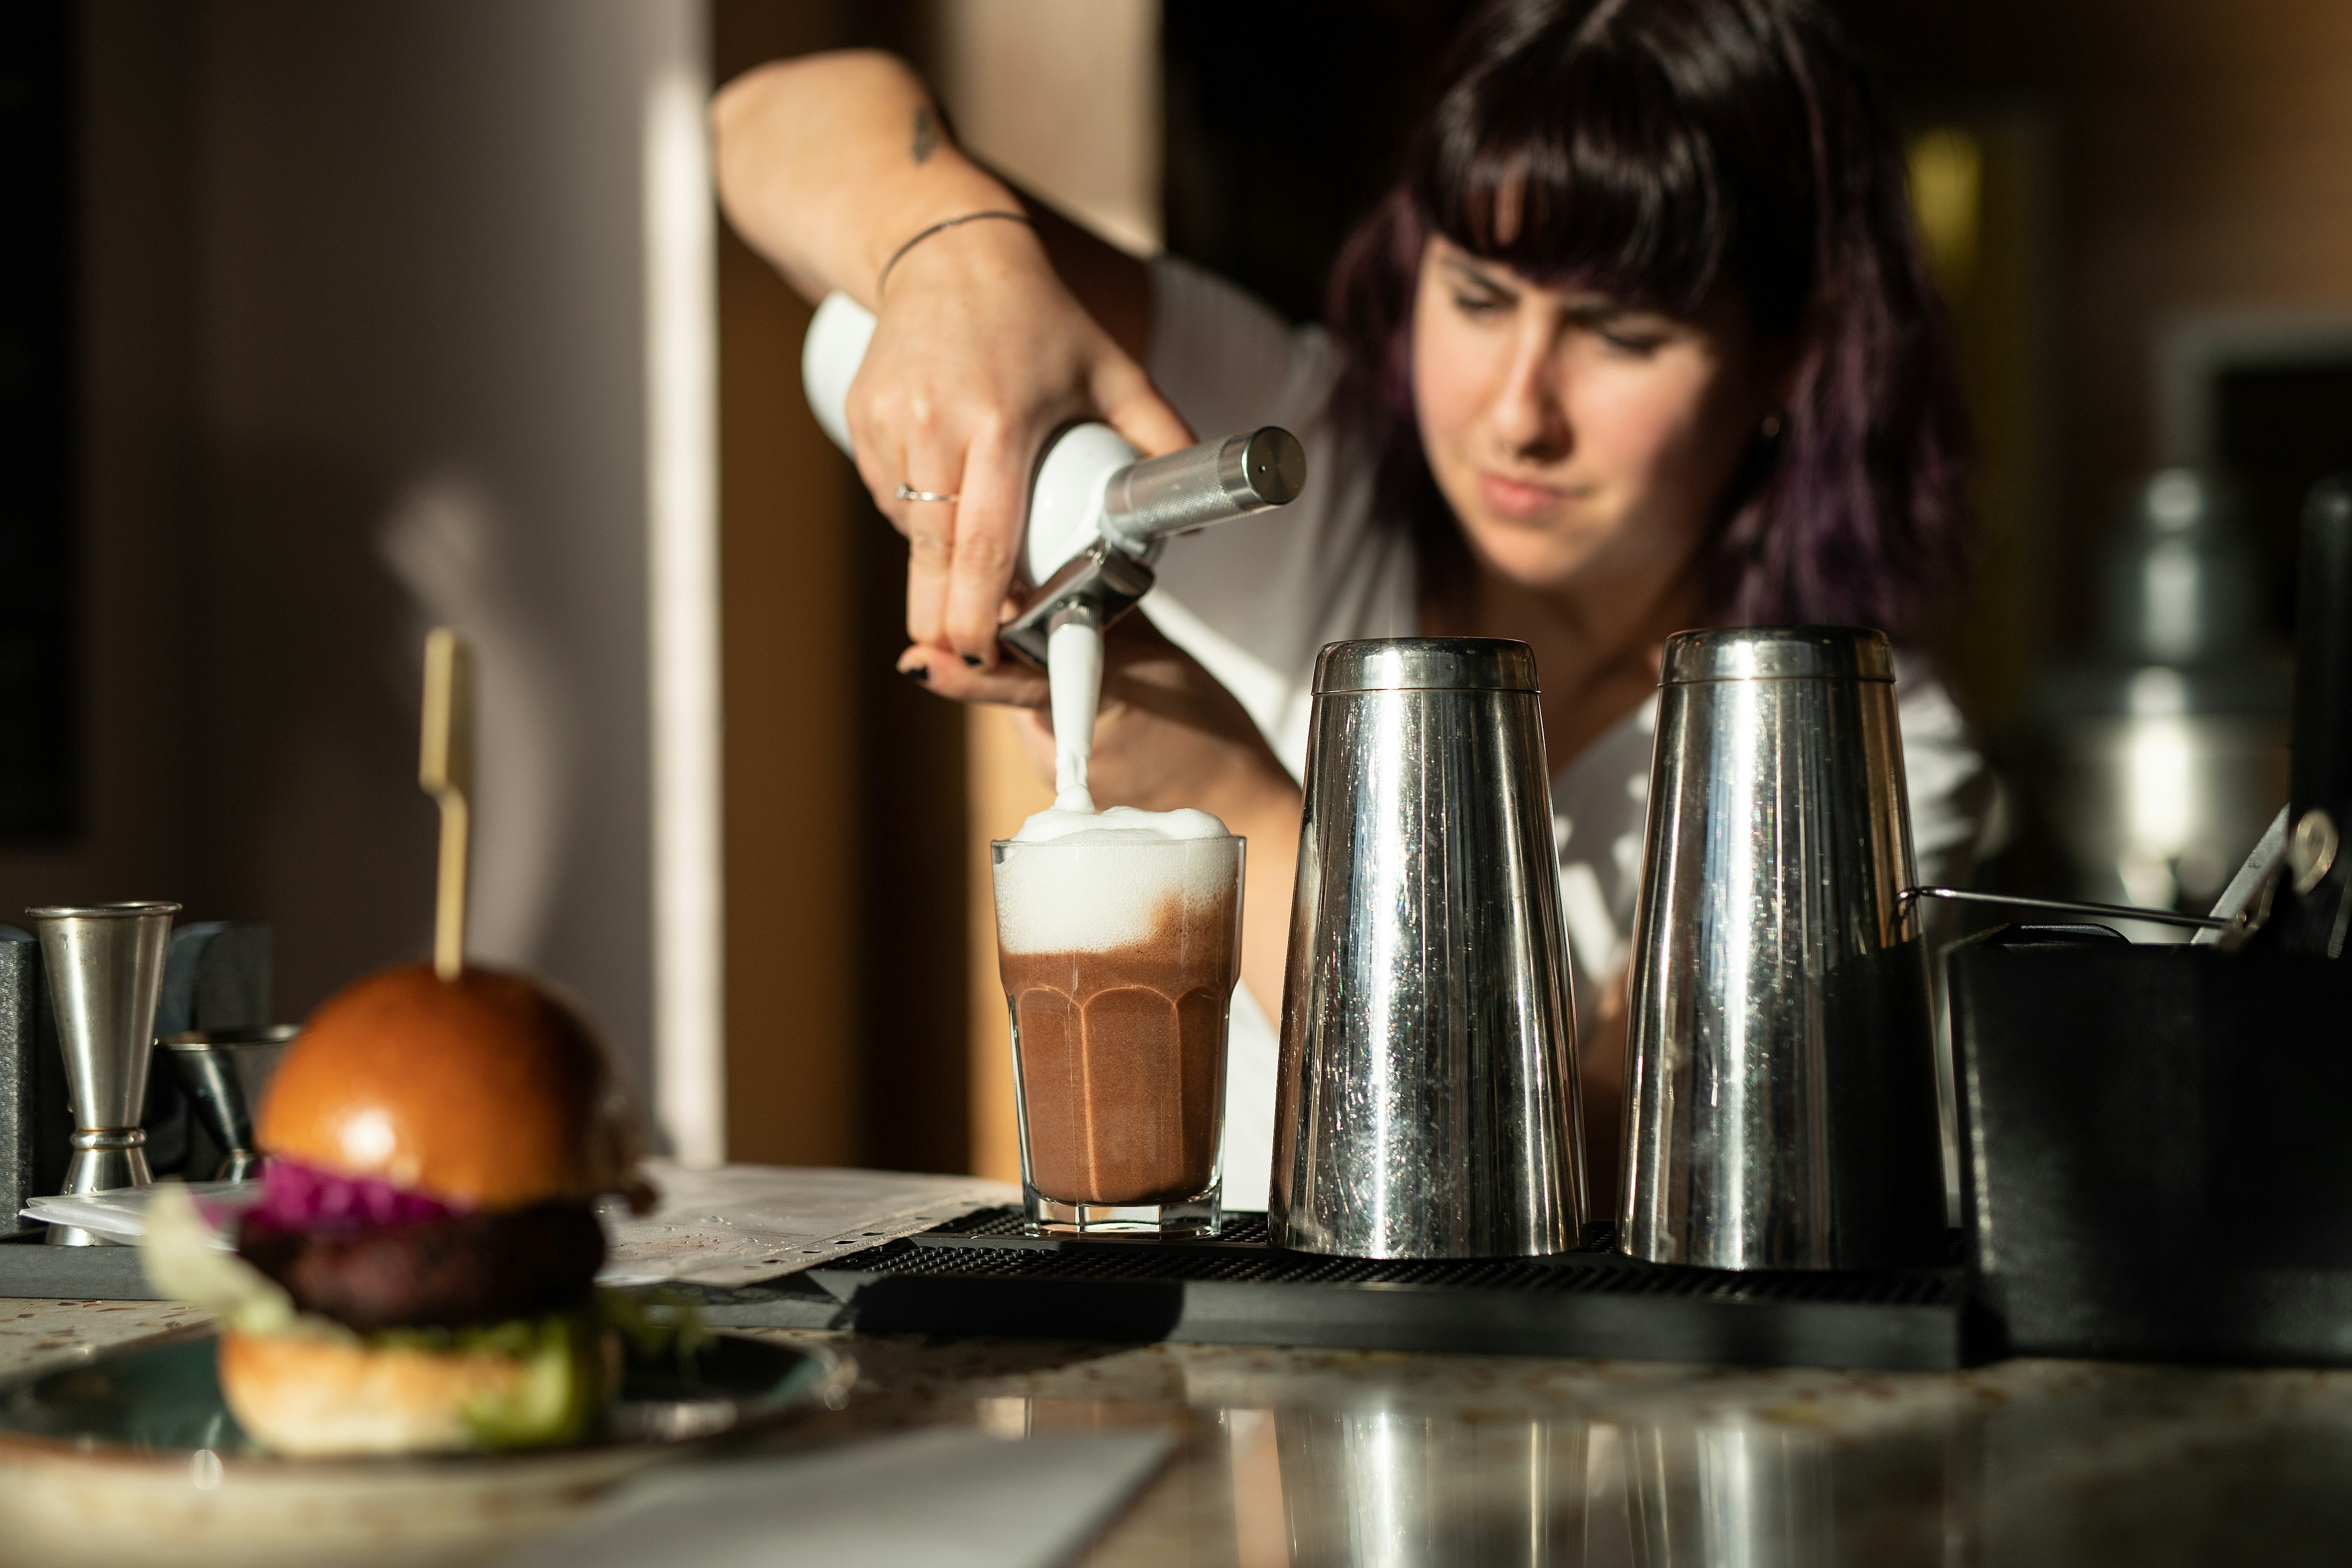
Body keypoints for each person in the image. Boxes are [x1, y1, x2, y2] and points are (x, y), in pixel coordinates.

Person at [712, 0, 1989, 1210]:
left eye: (1620, 333)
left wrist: (1232, 796)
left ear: (1785, 352)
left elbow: (1601, 1177)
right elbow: (766, 118)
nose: (1516, 411)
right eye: (1478, 299)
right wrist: (957, 258)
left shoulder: (1869, 754)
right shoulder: (1300, 439)